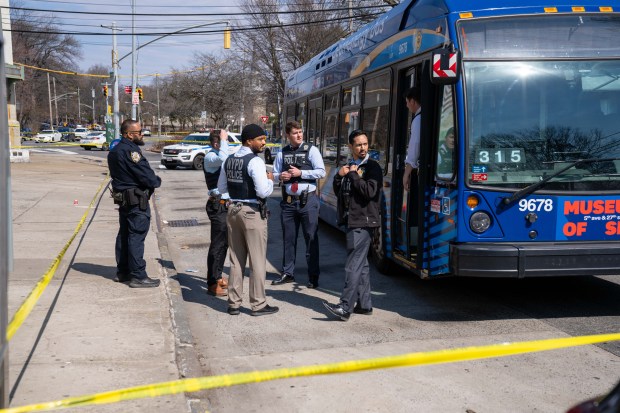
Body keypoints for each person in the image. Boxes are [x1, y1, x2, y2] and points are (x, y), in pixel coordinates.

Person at [217, 124, 279, 316]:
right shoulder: (255, 161)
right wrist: (270, 180)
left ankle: (233, 303)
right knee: (257, 260)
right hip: (252, 212)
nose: (263, 143)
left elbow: (221, 188)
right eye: (260, 139)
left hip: (233, 210)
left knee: (236, 260)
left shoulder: (229, 159)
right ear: (249, 140)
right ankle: (258, 304)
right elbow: (262, 191)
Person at [323, 130, 382, 321]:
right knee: (362, 264)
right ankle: (364, 305)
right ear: (351, 147)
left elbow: (370, 191)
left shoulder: (373, 168)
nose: (363, 148)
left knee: (353, 265)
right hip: (351, 219)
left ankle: (345, 306)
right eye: (359, 145)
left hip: (363, 222)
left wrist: (354, 176)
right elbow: (340, 191)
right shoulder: (349, 166)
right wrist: (340, 176)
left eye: (365, 144)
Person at [271, 121, 326, 289]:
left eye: (301, 131)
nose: (299, 135)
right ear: (288, 135)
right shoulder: (282, 152)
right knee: (288, 239)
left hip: (307, 200)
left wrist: (301, 173)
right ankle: (288, 273)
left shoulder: (311, 150)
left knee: (311, 238)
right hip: (288, 202)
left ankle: (313, 276)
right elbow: (273, 174)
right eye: (295, 133)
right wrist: (280, 177)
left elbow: (321, 171)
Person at [108, 119, 162, 288]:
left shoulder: (115, 150)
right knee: (136, 237)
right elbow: (146, 176)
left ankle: (123, 271)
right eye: (139, 132)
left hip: (124, 200)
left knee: (124, 235)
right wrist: (156, 180)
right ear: (129, 135)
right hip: (136, 202)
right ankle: (138, 275)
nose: (142, 134)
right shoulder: (132, 152)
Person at [203, 129, 230, 297]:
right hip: (217, 204)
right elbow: (224, 158)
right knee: (217, 245)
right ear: (215, 144)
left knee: (224, 244)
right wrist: (224, 140)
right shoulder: (210, 157)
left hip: (225, 204)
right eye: (223, 142)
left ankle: (218, 276)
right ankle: (212, 283)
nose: (227, 146)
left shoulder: (218, 153)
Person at [403, 86, 422, 192]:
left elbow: (415, 146)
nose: (407, 105)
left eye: (407, 102)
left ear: (413, 101)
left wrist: (406, 173)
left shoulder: (418, 119)